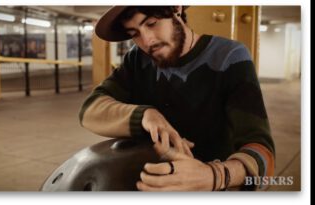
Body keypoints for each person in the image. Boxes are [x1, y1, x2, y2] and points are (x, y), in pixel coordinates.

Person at [79, 6, 275, 191]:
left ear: (177, 8)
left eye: (151, 23)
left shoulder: (229, 57)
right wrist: (145, 115)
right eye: (134, 34)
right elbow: (90, 109)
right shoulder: (138, 59)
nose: (147, 41)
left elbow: (263, 153)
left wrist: (215, 175)